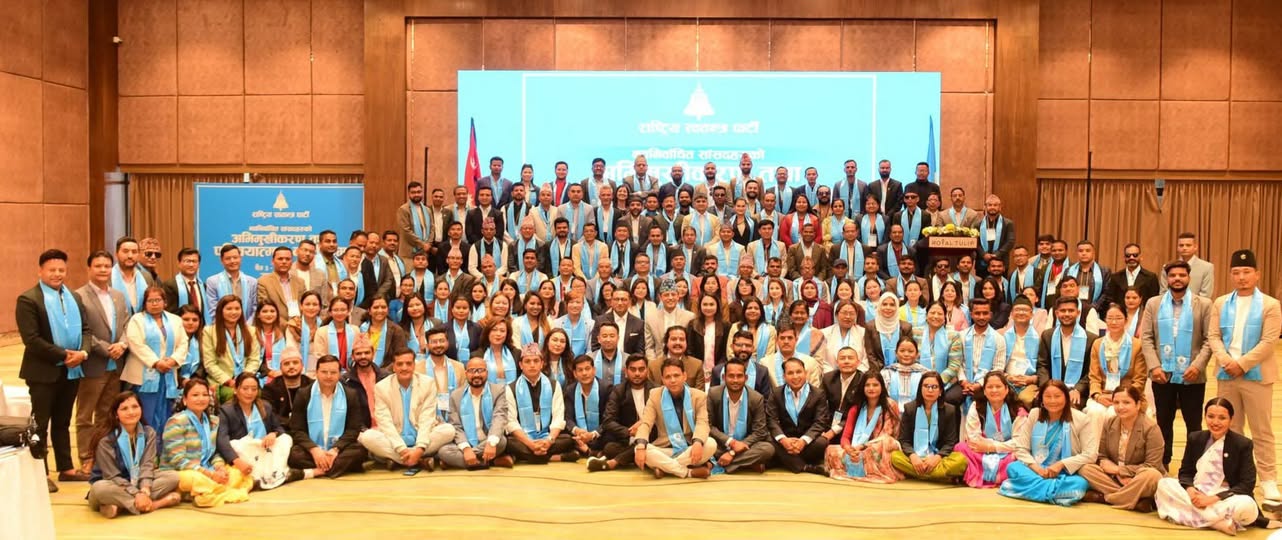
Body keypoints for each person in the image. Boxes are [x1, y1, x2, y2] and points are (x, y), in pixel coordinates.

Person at [1207, 249, 1282, 501]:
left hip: (1256, 376)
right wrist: (1226, 360)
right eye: (1236, 272)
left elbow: (1269, 341)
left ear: (1257, 274)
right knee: (1229, 428)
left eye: (1247, 272)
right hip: (1227, 374)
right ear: (1230, 275)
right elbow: (1214, 336)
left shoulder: (1270, 305)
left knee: (1261, 430)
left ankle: (1268, 479)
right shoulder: (1220, 303)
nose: (1241, 277)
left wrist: (1242, 364)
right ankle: (1232, 476)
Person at [17, 249, 93, 491]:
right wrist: (64, 355)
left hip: (72, 371)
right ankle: (40, 473)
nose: (57, 274)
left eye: (61, 270)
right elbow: (32, 339)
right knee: (40, 424)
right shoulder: (29, 299)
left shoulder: (74, 298)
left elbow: (86, 330)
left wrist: (83, 353)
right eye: (52, 270)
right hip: (43, 372)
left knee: (63, 421)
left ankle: (66, 468)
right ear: (40, 271)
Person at [1140, 260, 1212, 469]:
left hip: (1192, 375)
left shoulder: (1203, 304)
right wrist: (1154, 367)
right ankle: (1162, 463)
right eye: (1173, 275)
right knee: (1163, 422)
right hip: (1162, 374)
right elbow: (1146, 338)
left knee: (1193, 423)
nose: (1177, 279)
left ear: (1189, 278)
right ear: (1167, 279)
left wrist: (1197, 366)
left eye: (1182, 275)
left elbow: (1209, 339)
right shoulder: (1153, 304)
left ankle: (1193, 466)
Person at [1156, 397, 1264, 534]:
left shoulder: (1242, 444)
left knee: (1247, 506)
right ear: (1205, 416)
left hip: (1224, 497)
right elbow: (1185, 472)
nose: (1215, 422)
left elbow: (1246, 484)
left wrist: (1212, 499)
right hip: (1197, 493)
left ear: (1231, 419)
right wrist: (1190, 490)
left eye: (1222, 418)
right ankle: (1217, 523)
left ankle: (1193, 516)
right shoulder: (1195, 438)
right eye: (1211, 416)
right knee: (1164, 484)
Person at [74, 251, 130, 475]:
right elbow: (82, 330)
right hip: (94, 364)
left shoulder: (118, 295)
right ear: (89, 268)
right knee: (85, 415)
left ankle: (102, 456)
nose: (103, 270)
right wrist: (107, 348)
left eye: (107, 266)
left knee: (107, 415)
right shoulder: (79, 296)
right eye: (98, 266)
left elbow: (127, 324)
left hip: (116, 365)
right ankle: (86, 457)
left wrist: (122, 344)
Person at [998, 380, 1098, 506]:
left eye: (1057, 396)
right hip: (1036, 470)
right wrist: (1037, 469)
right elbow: (1021, 448)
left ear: (1066, 398)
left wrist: (1061, 464)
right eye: (1048, 397)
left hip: (1065, 473)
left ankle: (1019, 489)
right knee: (1013, 467)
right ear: (1041, 399)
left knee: (1080, 483)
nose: (1052, 401)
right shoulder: (1035, 414)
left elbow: (1090, 454)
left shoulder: (1081, 419)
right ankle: (1058, 493)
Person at [87, 391, 182, 518]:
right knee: (100, 488)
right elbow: (112, 476)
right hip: (113, 485)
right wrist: (137, 494)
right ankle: (154, 504)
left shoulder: (149, 433)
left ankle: (120, 506)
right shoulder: (106, 440)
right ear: (116, 414)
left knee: (173, 477)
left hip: (138, 483)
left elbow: (147, 465)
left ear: (141, 409)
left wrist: (145, 489)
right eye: (124, 409)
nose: (131, 412)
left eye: (135, 407)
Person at [358, 349, 455, 471]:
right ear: (393, 367)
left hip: (421, 435)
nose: (404, 368)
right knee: (367, 437)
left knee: (448, 430)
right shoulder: (381, 387)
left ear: (414, 365)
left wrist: (419, 448)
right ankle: (419, 460)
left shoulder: (427, 383)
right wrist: (401, 449)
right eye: (400, 364)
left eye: (408, 363)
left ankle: (400, 459)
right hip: (394, 439)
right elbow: (385, 422)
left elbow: (427, 419)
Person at [160, 379, 252, 506]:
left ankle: (206, 492)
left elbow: (214, 453)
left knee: (237, 473)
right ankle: (206, 493)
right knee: (196, 479)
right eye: (195, 395)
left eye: (205, 395)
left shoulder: (213, 421)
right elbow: (178, 460)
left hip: (207, 470)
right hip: (181, 472)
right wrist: (210, 474)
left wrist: (219, 468)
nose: (201, 399)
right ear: (185, 400)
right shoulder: (176, 422)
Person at [1078, 386, 1164, 511]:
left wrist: (1120, 470)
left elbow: (1152, 465)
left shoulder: (1151, 428)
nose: (1120, 407)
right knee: (1085, 469)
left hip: (1138, 477)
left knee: (1152, 475)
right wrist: (1117, 474)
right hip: (1115, 478)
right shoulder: (1110, 423)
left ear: (1138, 405)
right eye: (1116, 403)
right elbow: (1102, 455)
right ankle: (1135, 500)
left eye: (1126, 402)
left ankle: (1106, 498)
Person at [287, 355, 368, 478]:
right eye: (324, 372)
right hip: (312, 449)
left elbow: (353, 429)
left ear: (339, 374)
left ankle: (318, 470)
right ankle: (335, 467)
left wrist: (335, 449)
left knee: (360, 451)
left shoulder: (350, 394)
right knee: (294, 455)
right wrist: (315, 450)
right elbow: (297, 430)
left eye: (333, 372)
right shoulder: (304, 394)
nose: (329, 376)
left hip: (339, 449)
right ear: (316, 373)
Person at [122, 286, 189, 436]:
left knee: (166, 414)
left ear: (165, 302)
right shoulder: (137, 320)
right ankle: (147, 446)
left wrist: (173, 360)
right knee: (147, 414)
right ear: (145, 303)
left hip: (168, 375)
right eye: (150, 301)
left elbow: (183, 343)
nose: (154, 304)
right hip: (143, 377)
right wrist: (156, 362)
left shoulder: (175, 320)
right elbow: (135, 344)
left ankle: (165, 446)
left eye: (158, 300)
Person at [633, 359, 715, 479]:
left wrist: (697, 442)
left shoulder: (699, 396)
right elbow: (646, 423)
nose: (672, 380)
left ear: (684, 376)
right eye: (668, 377)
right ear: (662, 379)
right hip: (666, 448)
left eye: (676, 375)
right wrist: (641, 446)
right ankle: (688, 472)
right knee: (639, 448)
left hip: (689, 448)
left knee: (711, 444)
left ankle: (665, 468)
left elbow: (702, 423)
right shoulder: (655, 395)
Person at [218, 373, 296, 489]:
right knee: (236, 444)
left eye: (254, 389)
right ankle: (276, 475)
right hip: (246, 453)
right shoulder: (226, 410)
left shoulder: (265, 406)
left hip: (265, 448)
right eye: (245, 388)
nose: (250, 393)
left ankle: (266, 476)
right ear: (236, 389)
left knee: (286, 438)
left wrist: (273, 434)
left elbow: (278, 428)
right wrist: (236, 461)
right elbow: (222, 439)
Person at [504, 344, 578, 463]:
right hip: (523, 439)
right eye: (527, 361)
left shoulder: (554, 385)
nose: (532, 365)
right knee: (507, 442)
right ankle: (553, 457)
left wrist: (548, 441)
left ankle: (526, 457)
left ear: (542, 363)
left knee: (569, 440)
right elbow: (511, 422)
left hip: (547, 437)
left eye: (536, 361)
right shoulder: (511, 388)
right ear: (521, 365)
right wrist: (530, 444)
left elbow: (558, 418)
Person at [824, 370, 902, 482]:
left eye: (875, 385)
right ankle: (859, 467)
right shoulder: (857, 407)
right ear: (862, 388)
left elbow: (886, 435)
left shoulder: (890, 405)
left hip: (882, 446)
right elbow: (846, 436)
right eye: (867, 385)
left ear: (882, 387)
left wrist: (861, 447)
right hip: (857, 447)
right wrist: (849, 448)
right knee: (831, 450)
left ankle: (866, 468)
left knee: (878, 447)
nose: (871, 388)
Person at [890, 371, 965, 482]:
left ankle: (919, 474)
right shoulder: (910, 409)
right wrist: (913, 456)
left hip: (938, 457)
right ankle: (938, 475)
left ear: (940, 391)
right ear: (920, 389)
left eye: (934, 387)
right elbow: (904, 440)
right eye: (926, 386)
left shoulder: (949, 410)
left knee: (961, 460)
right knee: (895, 457)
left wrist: (937, 458)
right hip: (915, 457)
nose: (930, 390)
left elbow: (950, 442)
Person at [955, 371, 1026, 488]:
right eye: (990, 387)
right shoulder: (977, 406)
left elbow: (1019, 442)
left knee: (1020, 454)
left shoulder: (1017, 409)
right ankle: (998, 475)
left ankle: (985, 474)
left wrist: (992, 447)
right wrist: (986, 447)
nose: (994, 390)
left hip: (1007, 452)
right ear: (984, 391)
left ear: (1006, 389)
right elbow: (973, 438)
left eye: (998, 386)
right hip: (981, 451)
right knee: (961, 447)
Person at [705, 359, 774, 474]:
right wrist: (731, 442)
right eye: (731, 376)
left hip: (745, 444)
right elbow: (708, 425)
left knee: (768, 449)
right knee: (705, 443)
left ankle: (721, 463)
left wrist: (733, 452)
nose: (735, 380)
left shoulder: (756, 398)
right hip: (721, 443)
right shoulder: (713, 394)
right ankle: (746, 463)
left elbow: (760, 431)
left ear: (746, 378)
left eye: (739, 376)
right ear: (724, 377)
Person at [766, 358, 830, 475]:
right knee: (768, 439)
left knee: (822, 442)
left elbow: (820, 422)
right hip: (785, 439)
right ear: (784, 376)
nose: (795, 376)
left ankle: (781, 460)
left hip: (806, 441)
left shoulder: (818, 394)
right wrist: (784, 440)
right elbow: (771, 420)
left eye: (798, 372)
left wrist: (803, 441)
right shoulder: (776, 393)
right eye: (790, 373)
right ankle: (805, 466)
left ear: (805, 373)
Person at [1086, 304, 1147, 422]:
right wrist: (1097, 396)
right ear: (1105, 320)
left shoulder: (1137, 345)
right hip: (1103, 394)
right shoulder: (1097, 344)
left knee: (1113, 413)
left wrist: (1120, 396)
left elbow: (1140, 380)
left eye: (1118, 318)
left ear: (1126, 320)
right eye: (1110, 318)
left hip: (1128, 394)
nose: (1114, 322)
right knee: (1095, 412)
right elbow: (1094, 377)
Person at [1038, 296, 1098, 410]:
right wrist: (1046, 387)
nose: (1066, 314)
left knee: (1071, 406)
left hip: (1078, 392)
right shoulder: (1047, 336)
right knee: (1039, 404)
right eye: (1063, 311)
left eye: (1071, 310)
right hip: (1051, 388)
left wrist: (1078, 389)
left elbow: (1091, 372)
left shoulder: (1091, 339)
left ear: (1078, 313)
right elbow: (1042, 366)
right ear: (1056, 313)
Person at [203, 244, 258, 323]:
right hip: (221, 326)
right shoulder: (213, 281)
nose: (232, 261)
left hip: (247, 326)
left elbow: (255, 308)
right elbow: (212, 309)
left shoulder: (252, 282)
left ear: (240, 258)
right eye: (228, 258)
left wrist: (246, 326)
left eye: (235, 257)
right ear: (222, 261)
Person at [1004, 297, 1042, 408]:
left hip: (1030, 381)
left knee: (1027, 398)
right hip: (1007, 380)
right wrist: (1006, 376)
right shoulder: (1002, 337)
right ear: (1011, 314)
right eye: (1017, 310)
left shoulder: (1040, 338)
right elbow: (997, 364)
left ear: (1032, 314)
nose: (1021, 313)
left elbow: (1044, 366)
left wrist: (1032, 379)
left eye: (1025, 310)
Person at [1101, 243, 1160, 311]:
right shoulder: (1115, 277)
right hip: (1120, 315)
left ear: (1140, 257)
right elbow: (1110, 300)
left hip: (1143, 315)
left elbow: (1154, 302)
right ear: (1124, 258)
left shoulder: (1151, 277)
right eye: (1128, 255)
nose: (1131, 258)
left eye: (1135, 255)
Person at [261, 346, 311, 424]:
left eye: (295, 362)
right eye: (286, 364)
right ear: (280, 368)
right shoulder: (270, 389)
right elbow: (271, 416)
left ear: (302, 365)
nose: (291, 366)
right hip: (282, 427)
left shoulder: (312, 386)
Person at [881, 337, 931, 411]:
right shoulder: (886, 372)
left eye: (910, 351)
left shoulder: (926, 374)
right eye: (902, 351)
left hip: (918, 412)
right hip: (890, 412)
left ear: (917, 354)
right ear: (896, 353)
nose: (906, 354)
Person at [1160, 232, 1215, 298]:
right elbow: (1163, 292)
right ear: (1177, 248)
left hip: (1197, 303)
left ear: (1195, 247)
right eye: (1181, 245)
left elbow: (1206, 294)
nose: (1184, 248)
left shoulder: (1207, 267)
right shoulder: (1167, 267)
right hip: (1170, 303)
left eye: (1188, 245)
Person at [820, 301, 869, 374]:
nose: (848, 316)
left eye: (851, 313)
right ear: (836, 315)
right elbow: (821, 360)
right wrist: (832, 376)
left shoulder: (863, 333)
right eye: (844, 313)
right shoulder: (824, 333)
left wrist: (857, 375)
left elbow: (866, 359)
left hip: (858, 376)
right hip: (829, 376)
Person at [111, 237, 153, 315]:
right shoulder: (108, 277)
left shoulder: (146, 277)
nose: (130, 256)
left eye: (134, 252)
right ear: (116, 254)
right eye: (125, 251)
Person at [396, 181, 434, 257]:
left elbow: (432, 228)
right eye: (413, 192)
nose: (416, 194)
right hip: (409, 253)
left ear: (422, 193)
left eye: (419, 192)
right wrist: (422, 244)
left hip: (424, 252)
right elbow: (406, 231)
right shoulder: (403, 209)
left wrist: (428, 243)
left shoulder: (427, 210)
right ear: (409, 194)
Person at [163, 248, 204, 315]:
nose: (191, 265)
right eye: (187, 261)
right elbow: (168, 313)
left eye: (194, 261)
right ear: (179, 263)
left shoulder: (203, 286)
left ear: (198, 264)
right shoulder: (170, 286)